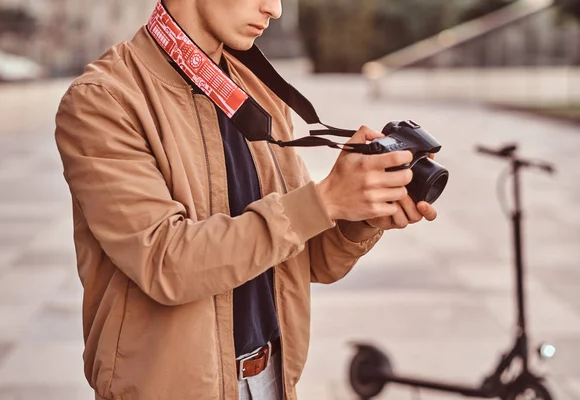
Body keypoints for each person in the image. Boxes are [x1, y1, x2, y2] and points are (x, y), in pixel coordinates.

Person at [54, 0, 438, 399]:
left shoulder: (253, 88)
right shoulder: (103, 100)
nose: (275, 9)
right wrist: (324, 201)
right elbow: (165, 263)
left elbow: (306, 258)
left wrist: (363, 210)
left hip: (272, 378)